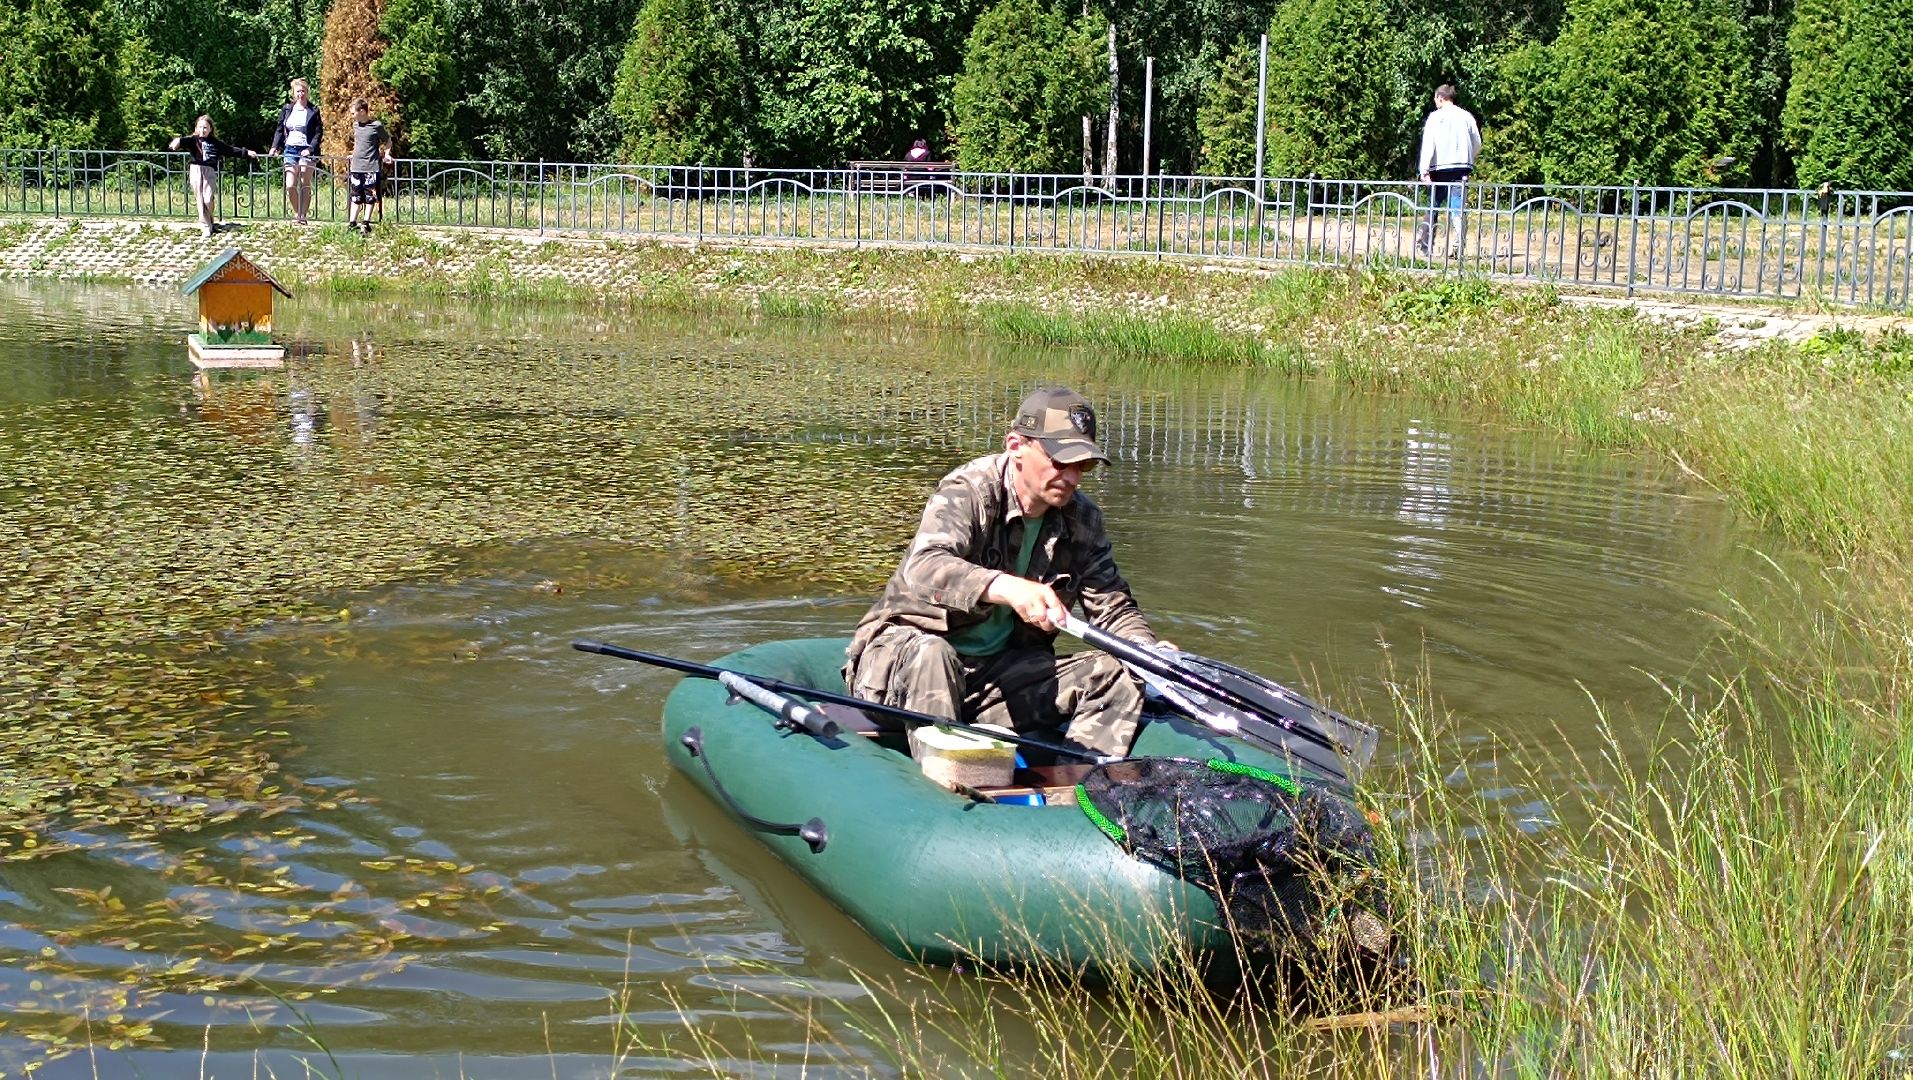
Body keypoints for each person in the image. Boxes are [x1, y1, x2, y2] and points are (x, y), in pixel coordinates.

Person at [844, 387, 1172, 758]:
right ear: (1016, 446)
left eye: (1084, 466)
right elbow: (925, 566)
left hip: (995, 679)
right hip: (905, 667)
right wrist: (1006, 588)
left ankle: (1080, 793)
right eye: (1060, 461)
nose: (1073, 478)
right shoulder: (969, 491)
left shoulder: (1083, 520)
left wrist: (1147, 651)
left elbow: (1112, 607)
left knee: (1118, 670)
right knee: (933, 654)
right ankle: (945, 789)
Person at [1415, 84, 1480, 258]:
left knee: (1433, 206)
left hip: (1439, 169)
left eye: (1435, 99)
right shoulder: (1466, 116)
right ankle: (1459, 246)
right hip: (1461, 168)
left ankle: (1425, 247)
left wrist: (1424, 170)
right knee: (1457, 208)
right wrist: (1468, 158)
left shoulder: (1435, 117)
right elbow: (1477, 142)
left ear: (1440, 98)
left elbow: (1428, 144)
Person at [169, 116, 259, 237]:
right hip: (196, 169)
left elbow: (230, 150)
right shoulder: (193, 140)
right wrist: (176, 143)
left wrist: (246, 152)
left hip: (209, 171)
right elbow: (181, 141)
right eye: (200, 127)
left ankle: (210, 219)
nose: (202, 130)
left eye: (205, 127)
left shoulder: (215, 143)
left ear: (210, 129)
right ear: (196, 128)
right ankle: (205, 226)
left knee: (208, 199)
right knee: (200, 199)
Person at [269, 78, 324, 225]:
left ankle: (303, 216)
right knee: (290, 184)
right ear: (294, 93)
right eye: (298, 91)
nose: (301, 94)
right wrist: (275, 146)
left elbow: (318, 133)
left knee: (304, 183)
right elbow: (280, 129)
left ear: (307, 93)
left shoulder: (313, 110)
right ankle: (297, 212)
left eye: (303, 91)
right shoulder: (287, 109)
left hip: (307, 150)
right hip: (290, 148)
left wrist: (310, 149)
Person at [346, 99, 394, 236]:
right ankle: (352, 223)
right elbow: (359, 144)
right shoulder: (355, 125)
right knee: (355, 196)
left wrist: (387, 154)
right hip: (356, 166)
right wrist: (354, 154)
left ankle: (366, 223)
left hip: (370, 167)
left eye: (353, 113)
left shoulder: (376, 126)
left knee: (369, 196)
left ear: (362, 111)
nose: (352, 116)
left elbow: (388, 141)